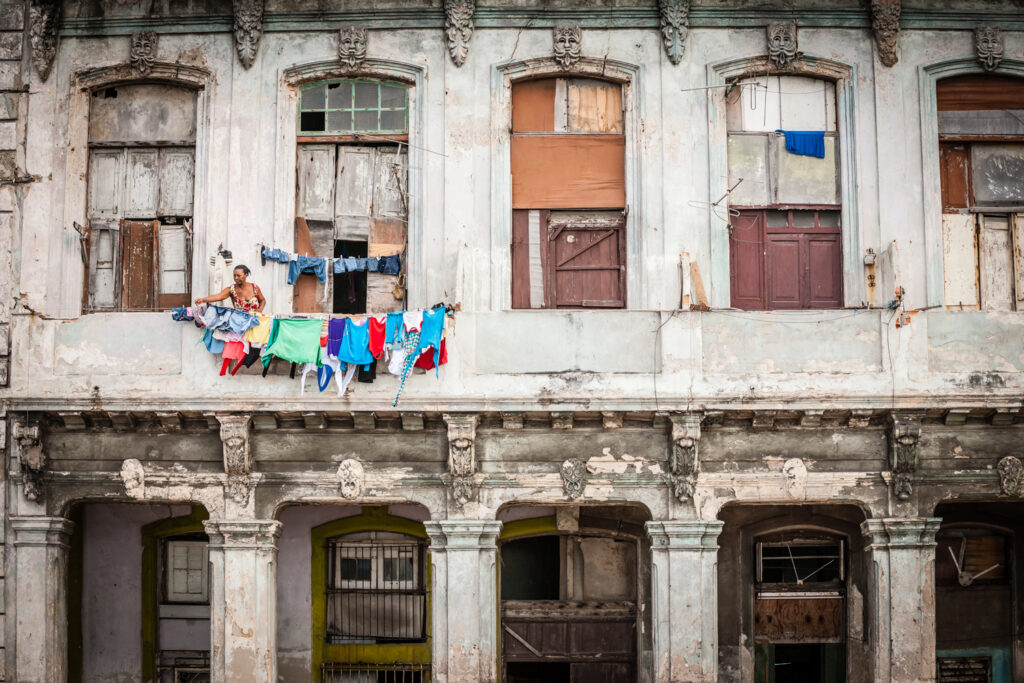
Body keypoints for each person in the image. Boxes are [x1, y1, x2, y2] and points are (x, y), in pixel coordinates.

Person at [194, 265, 266, 313]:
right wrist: (203, 299)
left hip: (256, 322)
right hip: (238, 324)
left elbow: (262, 300)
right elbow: (218, 296)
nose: (236, 278)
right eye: (234, 275)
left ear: (246, 275)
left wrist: (260, 309)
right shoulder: (231, 289)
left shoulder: (255, 287)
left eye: (238, 275)